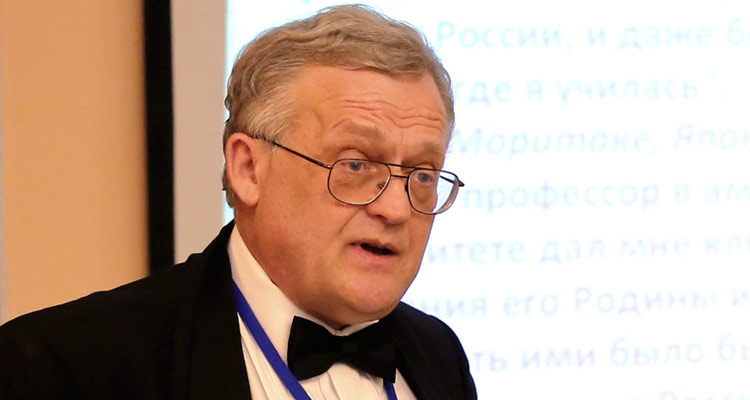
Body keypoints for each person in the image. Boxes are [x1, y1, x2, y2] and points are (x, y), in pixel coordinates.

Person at [0, 5, 476, 400]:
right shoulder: (66, 367)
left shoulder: (437, 355)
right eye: (355, 165)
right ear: (248, 169)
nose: (395, 209)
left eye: (422, 174)